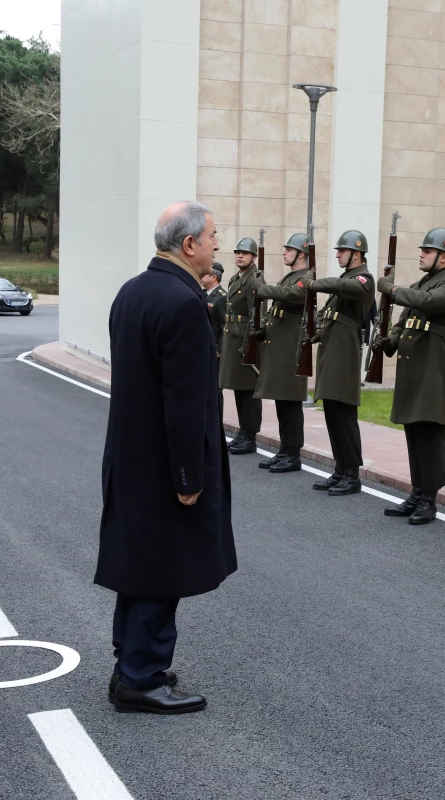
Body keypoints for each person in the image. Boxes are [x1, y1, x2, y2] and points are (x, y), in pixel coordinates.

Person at [97, 200, 236, 714]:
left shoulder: (133, 291)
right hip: (164, 463)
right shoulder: (182, 302)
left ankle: (130, 661)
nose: (218, 244)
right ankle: (141, 677)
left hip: (131, 455)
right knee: (162, 565)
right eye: (213, 236)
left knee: (139, 561)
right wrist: (188, 473)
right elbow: (184, 401)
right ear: (190, 244)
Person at [374, 228, 445, 525]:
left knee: (430, 431)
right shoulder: (420, 283)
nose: (421, 254)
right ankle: (417, 490)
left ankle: (430, 497)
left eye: (427, 251)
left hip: (432, 367)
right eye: (422, 250)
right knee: (413, 431)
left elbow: (427, 302)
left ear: (444, 256)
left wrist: (391, 290)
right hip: (414, 366)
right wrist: (390, 341)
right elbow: (405, 322)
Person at [307, 230, 376, 495]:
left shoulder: (363, 278)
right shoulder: (345, 278)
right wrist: (316, 334)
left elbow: (347, 287)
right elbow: (332, 314)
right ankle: (340, 468)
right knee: (333, 413)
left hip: (345, 352)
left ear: (356, 254)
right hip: (332, 349)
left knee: (345, 415)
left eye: (342, 251)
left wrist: (314, 284)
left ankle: (353, 473)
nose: (337, 255)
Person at [249, 234, 313, 474]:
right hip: (280, 345)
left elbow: (295, 296)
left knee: (291, 401)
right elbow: (278, 306)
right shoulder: (290, 276)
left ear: (302, 254)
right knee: (281, 400)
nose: (285, 252)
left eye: (289, 249)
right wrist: (263, 327)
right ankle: (285, 449)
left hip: (291, 346)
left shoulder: (306, 277)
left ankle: (293, 453)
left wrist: (264, 289)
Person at [222, 238, 263, 456]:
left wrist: (250, 344)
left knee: (249, 390)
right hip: (234, 339)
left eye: (245, 253)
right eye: (238, 252)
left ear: (254, 257)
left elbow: (256, 315)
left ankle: (250, 435)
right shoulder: (236, 278)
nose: (240, 255)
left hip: (245, 341)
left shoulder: (254, 279)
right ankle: (243, 431)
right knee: (239, 388)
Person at [202, 261, 227, 351]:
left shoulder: (222, 297)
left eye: (204, 274)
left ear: (213, 277)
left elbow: (225, 326)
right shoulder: (202, 294)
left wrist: (219, 349)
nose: (201, 276)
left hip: (213, 347)